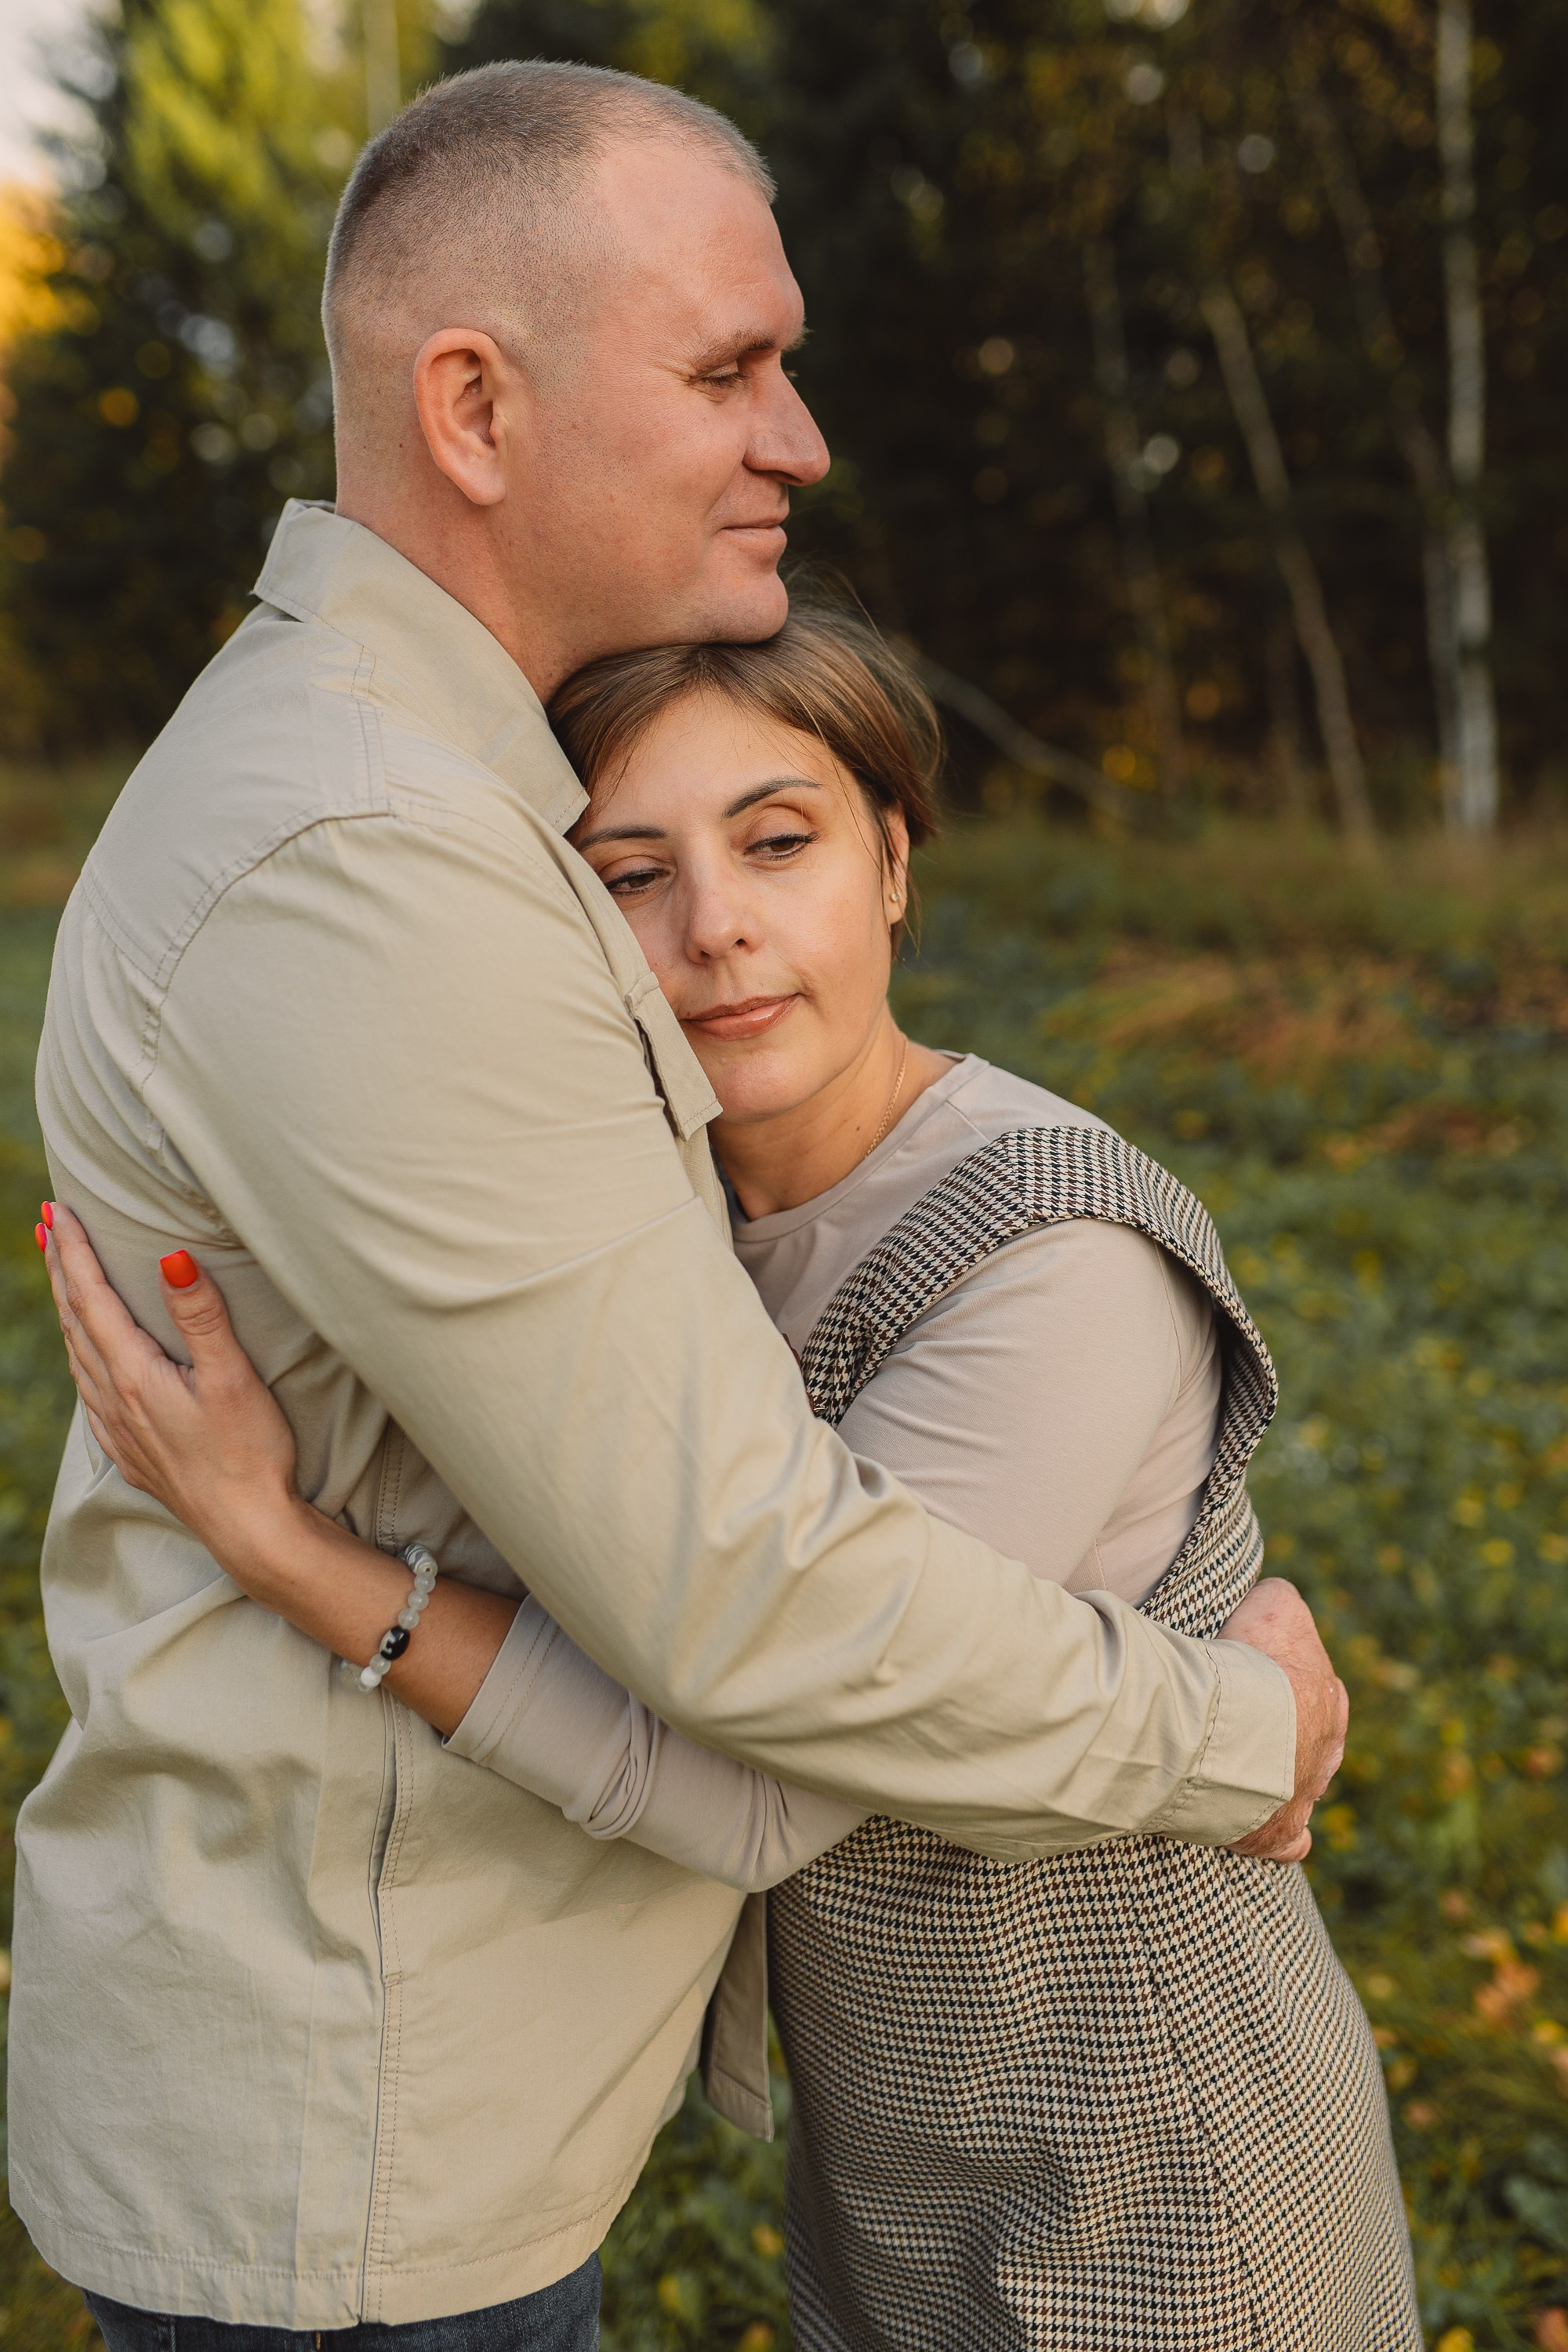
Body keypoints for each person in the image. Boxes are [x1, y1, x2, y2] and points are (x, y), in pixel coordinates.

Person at [19, 60, 1348, 2351]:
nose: (800, 438)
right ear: (474, 405)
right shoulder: (373, 859)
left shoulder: (428, 789)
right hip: (370, 2130)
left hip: (513, 2099)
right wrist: (1237, 1737)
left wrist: (295, 1549)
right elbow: (742, 1595)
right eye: (731, 368)